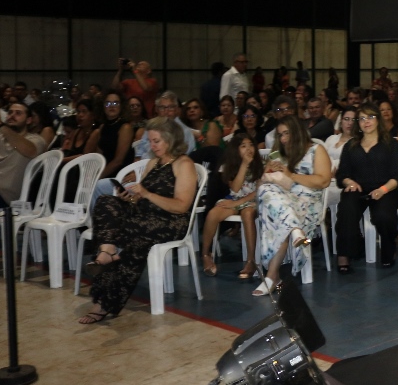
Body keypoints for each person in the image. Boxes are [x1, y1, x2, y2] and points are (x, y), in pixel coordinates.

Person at [78, 117, 196, 323]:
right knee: (106, 201)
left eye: (156, 141)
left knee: (131, 235)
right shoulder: (153, 163)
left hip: (171, 221)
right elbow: (140, 199)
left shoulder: (184, 164)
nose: (152, 146)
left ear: (171, 139)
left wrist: (147, 194)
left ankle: (102, 301)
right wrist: (130, 198)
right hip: (145, 215)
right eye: (150, 141)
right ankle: (108, 251)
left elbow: (181, 206)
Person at [254, 117, 332, 295]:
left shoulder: (316, 150)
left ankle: (272, 277)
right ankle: (296, 230)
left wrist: (291, 175)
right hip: (283, 203)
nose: (283, 139)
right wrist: (267, 171)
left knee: (279, 219)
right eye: (280, 135)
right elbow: (260, 188)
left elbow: (324, 181)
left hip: (308, 203)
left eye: (286, 133)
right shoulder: (278, 154)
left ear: (297, 132)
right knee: (267, 191)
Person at [334, 103, 398, 270]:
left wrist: (382, 190)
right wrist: (349, 182)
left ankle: (389, 248)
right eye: (362, 118)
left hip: (386, 189)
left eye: (370, 117)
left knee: (383, 216)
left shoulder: (391, 144)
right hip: (358, 189)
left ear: (378, 119)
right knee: (346, 209)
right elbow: (341, 174)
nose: (366, 121)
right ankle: (345, 253)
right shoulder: (351, 145)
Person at [200, 132, 262, 279]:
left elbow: (259, 190)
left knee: (247, 213)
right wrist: (244, 165)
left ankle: (251, 261)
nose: (248, 149)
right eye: (243, 146)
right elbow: (235, 188)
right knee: (213, 214)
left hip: (254, 200)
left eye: (251, 145)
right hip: (234, 198)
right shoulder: (228, 165)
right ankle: (206, 254)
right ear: (236, 149)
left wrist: (238, 203)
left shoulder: (260, 165)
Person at [0, 101, 47, 209]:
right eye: (10, 112)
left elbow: (30, 151)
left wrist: (0, 125)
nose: (12, 115)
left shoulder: (36, 140)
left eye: (18, 113)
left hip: (5, 196)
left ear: (28, 120)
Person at [87, 90, 135, 179]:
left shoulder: (125, 127)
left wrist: (96, 177)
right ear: (102, 106)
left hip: (120, 175)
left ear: (121, 106)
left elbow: (118, 161)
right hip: (105, 171)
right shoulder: (103, 127)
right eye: (108, 103)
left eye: (116, 103)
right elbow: (99, 156)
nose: (112, 106)